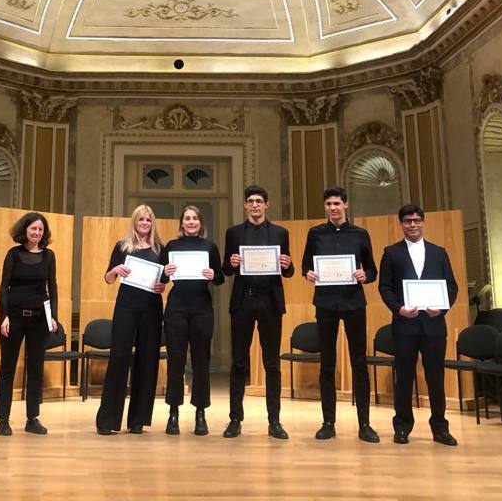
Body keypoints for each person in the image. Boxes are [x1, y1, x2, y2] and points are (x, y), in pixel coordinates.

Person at [302, 185, 379, 443]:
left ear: (345, 205)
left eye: (337, 203)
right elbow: (305, 265)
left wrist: (364, 275)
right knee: (327, 364)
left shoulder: (360, 234)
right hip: (324, 303)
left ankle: (364, 424)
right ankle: (328, 422)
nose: (333, 208)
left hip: (354, 303)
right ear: (325, 208)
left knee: (359, 363)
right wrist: (309, 274)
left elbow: (371, 269)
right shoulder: (315, 233)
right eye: (328, 204)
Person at [378, 204, 459, 446]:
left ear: (423, 223)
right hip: (405, 325)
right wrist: (399, 308)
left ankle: (440, 428)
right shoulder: (391, 252)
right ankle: (402, 426)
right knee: (403, 377)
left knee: (436, 377)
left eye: (416, 220)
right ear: (401, 224)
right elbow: (385, 287)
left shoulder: (439, 252)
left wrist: (442, 308)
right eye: (407, 221)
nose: (412, 225)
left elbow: (451, 286)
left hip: (434, 326)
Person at [222, 185, 294, 439]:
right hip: (243, 302)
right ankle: (234, 419)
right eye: (250, 201)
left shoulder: (280, 233)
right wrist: (230, 263)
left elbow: (288, 270)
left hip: (270, 302)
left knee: (272, 364)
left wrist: (287, 265)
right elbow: (225, 271)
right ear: (245, 205)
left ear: (267, 205)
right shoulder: (234, 233)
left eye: (259, 201)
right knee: (239, 362)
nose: (254, 205)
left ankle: (274, 420)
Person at [96, 204, 165, 435]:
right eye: (141, 220)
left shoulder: (160, 249)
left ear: (152, 222)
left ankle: (138, 420)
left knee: (147, 361)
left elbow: (164, 280)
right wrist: (115, 270)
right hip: (126, 307)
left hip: (151, 309)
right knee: (119, 359)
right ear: (134, 222)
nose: (144, 223)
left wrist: (163, 285)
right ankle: (107, 421)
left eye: (148, 220)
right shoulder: (122, 246)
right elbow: (108, 279)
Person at [160, 205, 225, 436]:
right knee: (175, 361)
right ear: (181, 223)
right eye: (187, 218)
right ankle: (173, 413)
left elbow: (220, 277)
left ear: (201, 223)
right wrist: (165, 272)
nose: (190, 222)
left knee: (201, 362)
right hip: (176, 308)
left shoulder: (210, 247)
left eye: (195, 218)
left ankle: (200, 413)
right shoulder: (172, 246)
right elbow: (162, 278)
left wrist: (213, 276)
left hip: (201, 309)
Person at [0, 211, 59, 436]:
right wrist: (3, 316)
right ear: (25, 230)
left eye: (41, 229)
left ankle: (33, 418)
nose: (37, 232)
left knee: (36, 369)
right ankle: (3, 419)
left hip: (39, 319)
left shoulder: (49, 256)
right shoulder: (13, 254)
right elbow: (4, 288)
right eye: (33, 228)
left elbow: (53, 288)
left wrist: (54, 316)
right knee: (7, 367)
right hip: (13, 317)